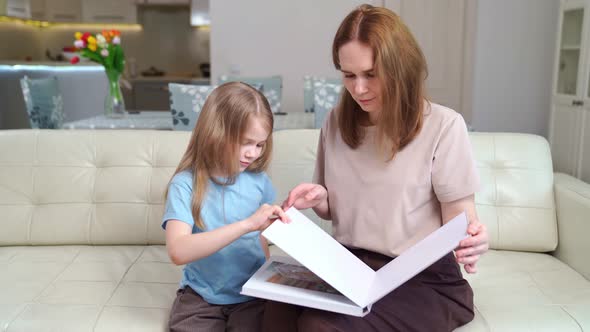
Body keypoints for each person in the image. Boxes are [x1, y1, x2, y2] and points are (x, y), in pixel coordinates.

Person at [263, 4, 489, 332]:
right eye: (348, 75)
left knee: (319, 326)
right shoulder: (336, 123)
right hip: (348, 268)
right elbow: (331, 210)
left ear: (401, 68)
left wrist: (472, 239)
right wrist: (319, 197)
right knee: (274, 308)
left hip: (420, 280)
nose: (358, 89)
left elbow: (460, 223)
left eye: (371, 74)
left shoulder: (443, 126)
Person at [163, 82, 289, 332]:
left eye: (260, 144)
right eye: (245, 142)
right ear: (215, 132)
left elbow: (261, 240)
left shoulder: (259, 182)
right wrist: (246, 225)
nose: (253, 153)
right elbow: (178, 251)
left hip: (251, 295)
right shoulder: (185, 185)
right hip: (200, 297)